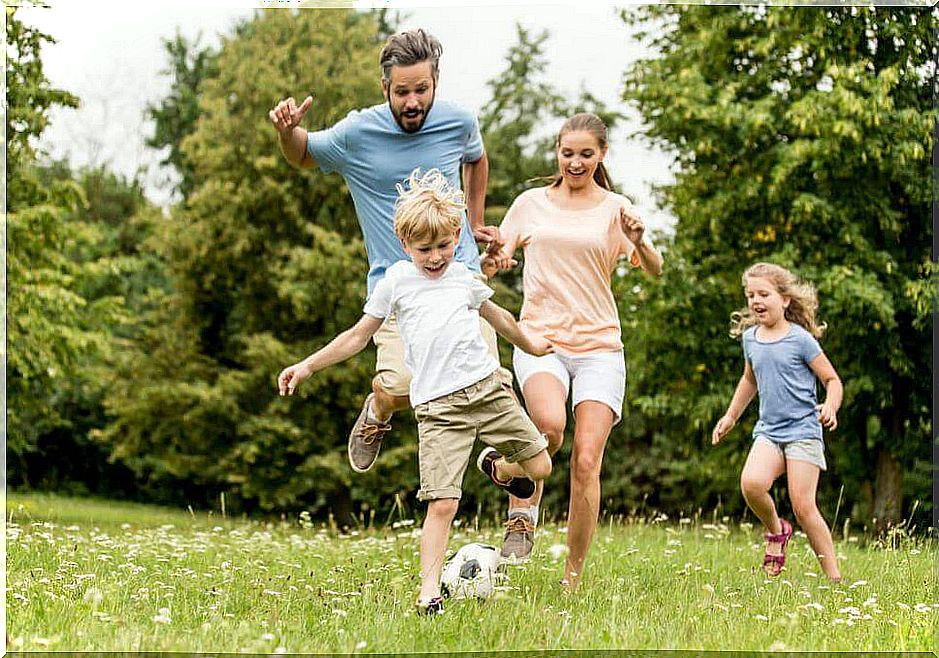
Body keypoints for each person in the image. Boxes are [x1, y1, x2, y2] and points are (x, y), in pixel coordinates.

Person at [277, 169, 552, 614]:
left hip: (488, 392)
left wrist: (531, 345)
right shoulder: (397, 283)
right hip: (440, 410)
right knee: (443, 502)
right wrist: (307, 365)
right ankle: (427, 593)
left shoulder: (463, 277)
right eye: (424, 249)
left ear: (456, 236)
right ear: (405, 245)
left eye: (444, 245)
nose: (435, 257)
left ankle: (499, 468)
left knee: (539, 467)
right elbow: (357, 336)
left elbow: (499, 317)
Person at [269, 28, 508, 474]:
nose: (413, 101)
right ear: (385, 88)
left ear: (436, 81)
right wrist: (288, 132)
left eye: (422, 89)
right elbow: (302, 154)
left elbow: (476, 157)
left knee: (489, 385)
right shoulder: (358, 133)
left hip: (460, 278)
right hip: (398, 289)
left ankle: (510, 490)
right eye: (402, 92)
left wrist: (474, 222)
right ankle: (378, 409)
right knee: (402, 386)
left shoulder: (458, 121)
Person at [483, 113, 663, 589]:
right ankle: (517, 495)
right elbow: (497, 256)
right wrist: (497, 261)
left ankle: (572, 580)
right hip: (541, 339)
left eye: (586, 154)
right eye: (568, 153)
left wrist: (641, 242)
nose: (576, 162)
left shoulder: (615, 209)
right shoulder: (530, 203)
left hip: (600, 347)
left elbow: (655, 269)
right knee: (548, 428)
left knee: (587, 461)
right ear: (557, 153)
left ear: (601, 155)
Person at [711, 262, 843, 582]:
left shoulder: (800, 340)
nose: (756, 300)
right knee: (751, 483)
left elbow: (832, 379)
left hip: (803, 431)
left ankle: (834, 578)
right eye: (750, 294)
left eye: (764, 294)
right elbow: (749, 381)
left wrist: (831, 406)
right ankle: (776, 530)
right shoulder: (751, 340)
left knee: (803, 506)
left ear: (784, 300)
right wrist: (730, 416)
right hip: (769, 431)